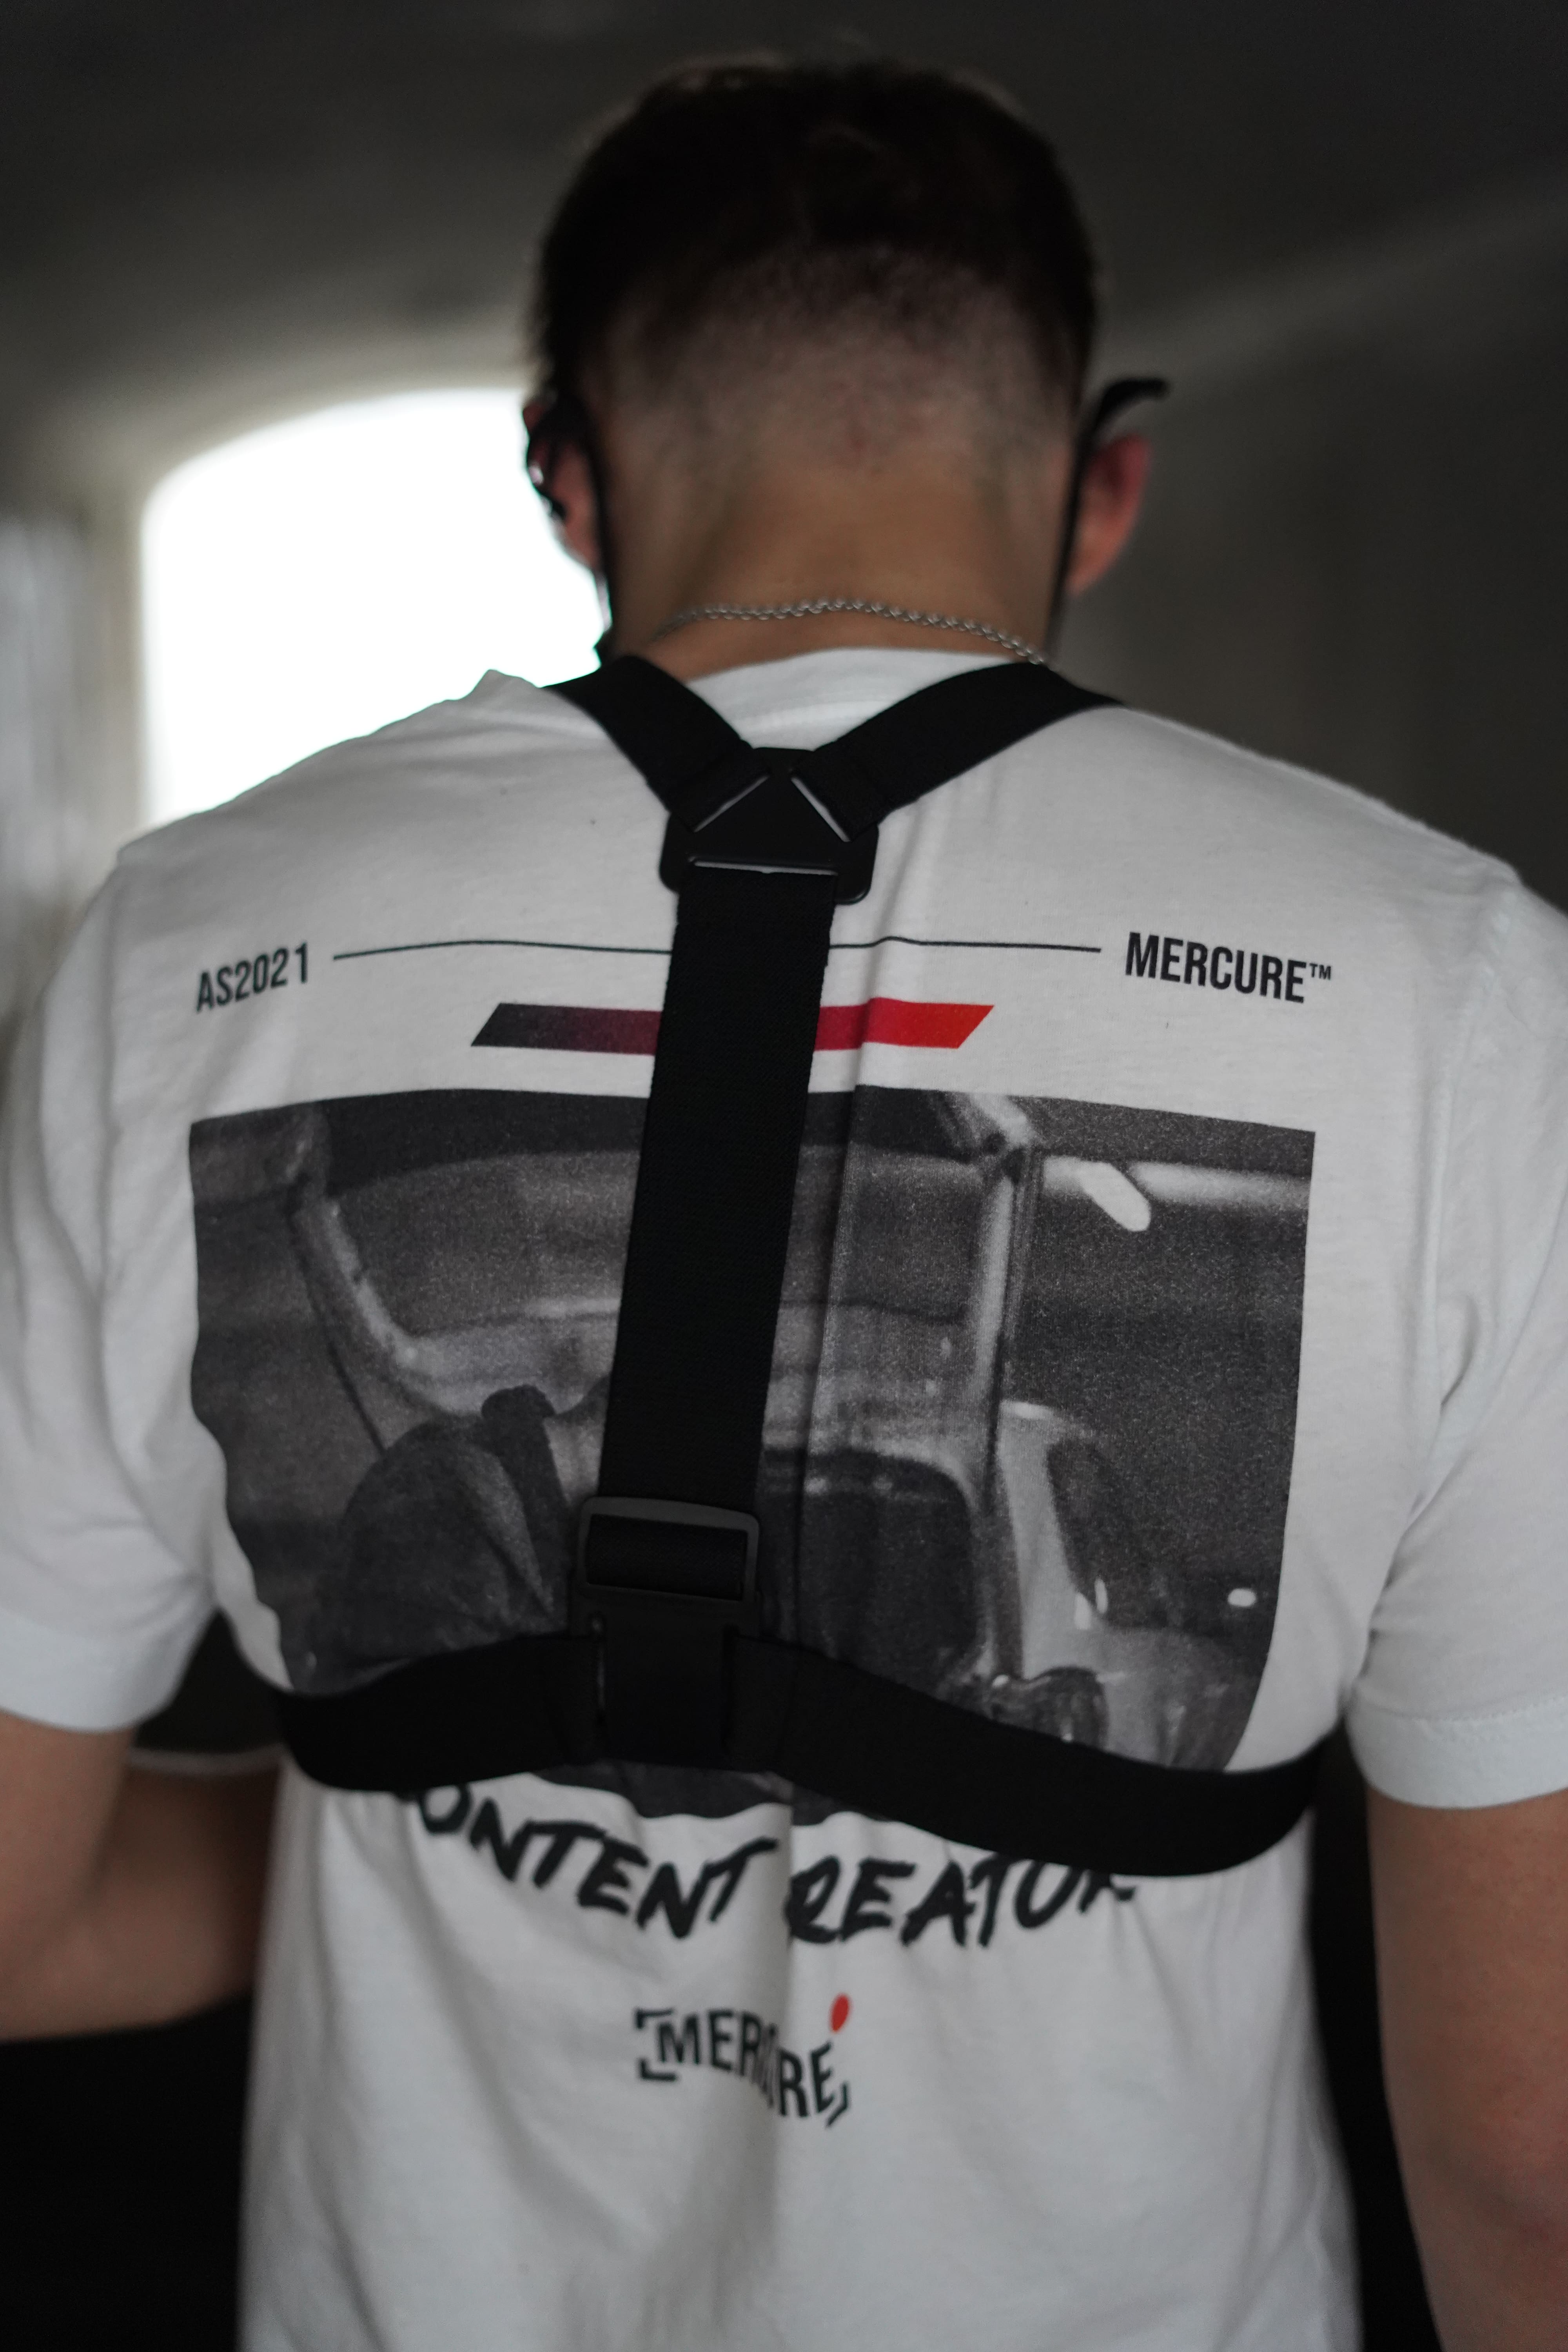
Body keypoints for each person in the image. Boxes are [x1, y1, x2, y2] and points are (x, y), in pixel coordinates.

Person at [1, 55, 1566, 2352]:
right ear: (1104, 484)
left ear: (569, 476)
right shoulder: (1456, 987)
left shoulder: (181, 947)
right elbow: (1533, 2153)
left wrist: (396, 1799)